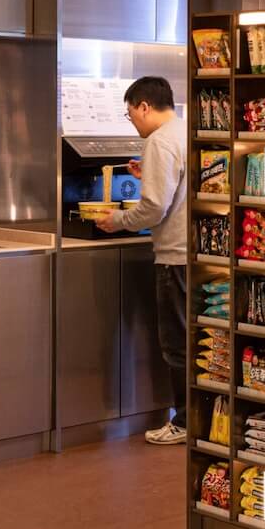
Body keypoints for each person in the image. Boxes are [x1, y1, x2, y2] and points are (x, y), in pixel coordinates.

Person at [96, 76, 189, 445]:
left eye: (130, 112)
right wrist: (146, 174)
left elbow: (153, 208)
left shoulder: (159, 141)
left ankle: (183, 422)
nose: (132, 120)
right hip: (195, 252)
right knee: (195, 339)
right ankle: (197, 420)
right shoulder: (185, 132)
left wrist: (116, 221)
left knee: (177, 343)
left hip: (173, 257)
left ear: (144, 106)